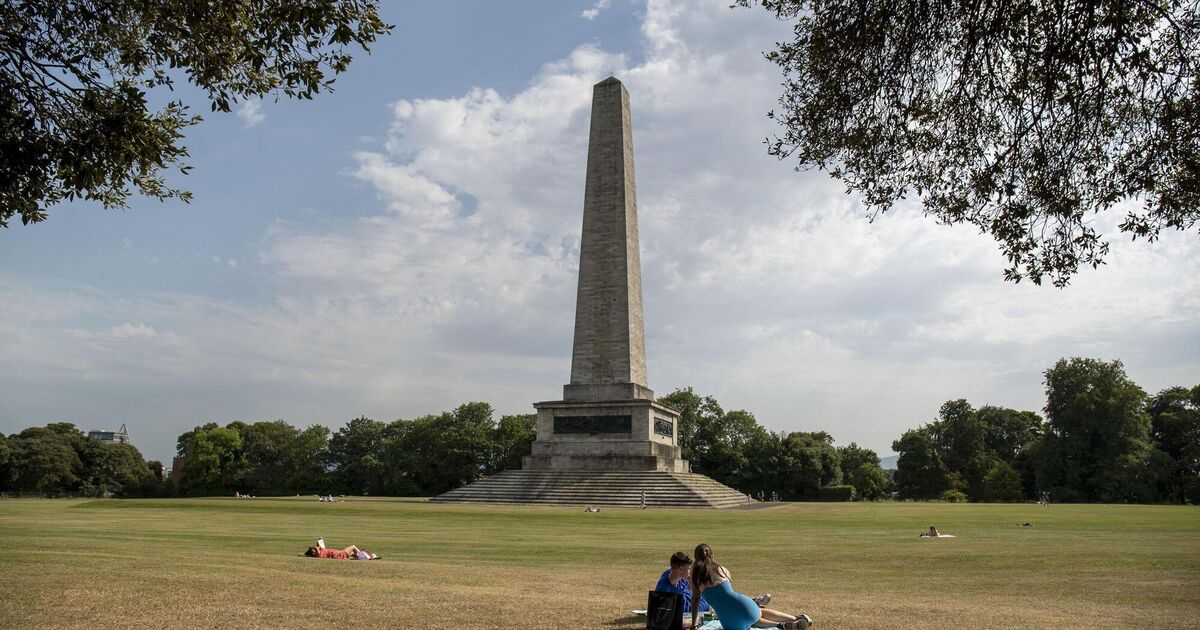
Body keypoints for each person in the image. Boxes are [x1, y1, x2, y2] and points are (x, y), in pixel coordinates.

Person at [689, 544, 813, 630]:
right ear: (713, 555)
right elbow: (730, 595)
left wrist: (693, 625)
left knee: (749, 620)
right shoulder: (722, 570)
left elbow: (695, 601)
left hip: (729, 622)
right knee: (757, 613)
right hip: (745, 607)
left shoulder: (695, 579)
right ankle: (796, 618)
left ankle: (781, 625)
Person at [655, 551, 712, 628]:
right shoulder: (665, 590)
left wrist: (690, 580)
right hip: (690, 606)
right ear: (680, 569)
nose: (690, 571)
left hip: (688, 596)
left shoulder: (673, 572)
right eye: (688, 569)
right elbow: (664, 618)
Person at [305, 544, 376, 560]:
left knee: (354, 554)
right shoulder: (317, 554)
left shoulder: (320, 553)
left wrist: (319, 540)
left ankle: (369, 555)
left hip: (338, 554)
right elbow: (316, 548)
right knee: (353, 547)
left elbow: (319, 547)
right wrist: (311, 547)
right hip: (339, 554)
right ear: (313, 552)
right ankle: (367, 557)